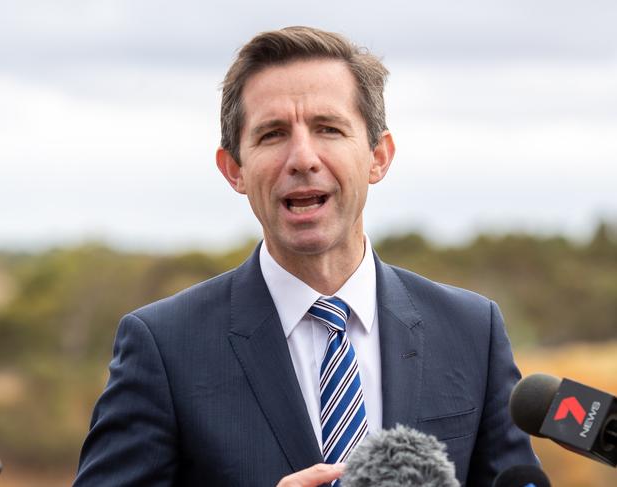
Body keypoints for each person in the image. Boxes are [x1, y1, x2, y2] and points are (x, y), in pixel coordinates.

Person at [73, 26, 538, 487]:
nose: (302, 158)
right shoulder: (163, 346)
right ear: (234, 169)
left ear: (378, 156)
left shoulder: (473, 331)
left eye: (328, 129)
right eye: (273, 134)